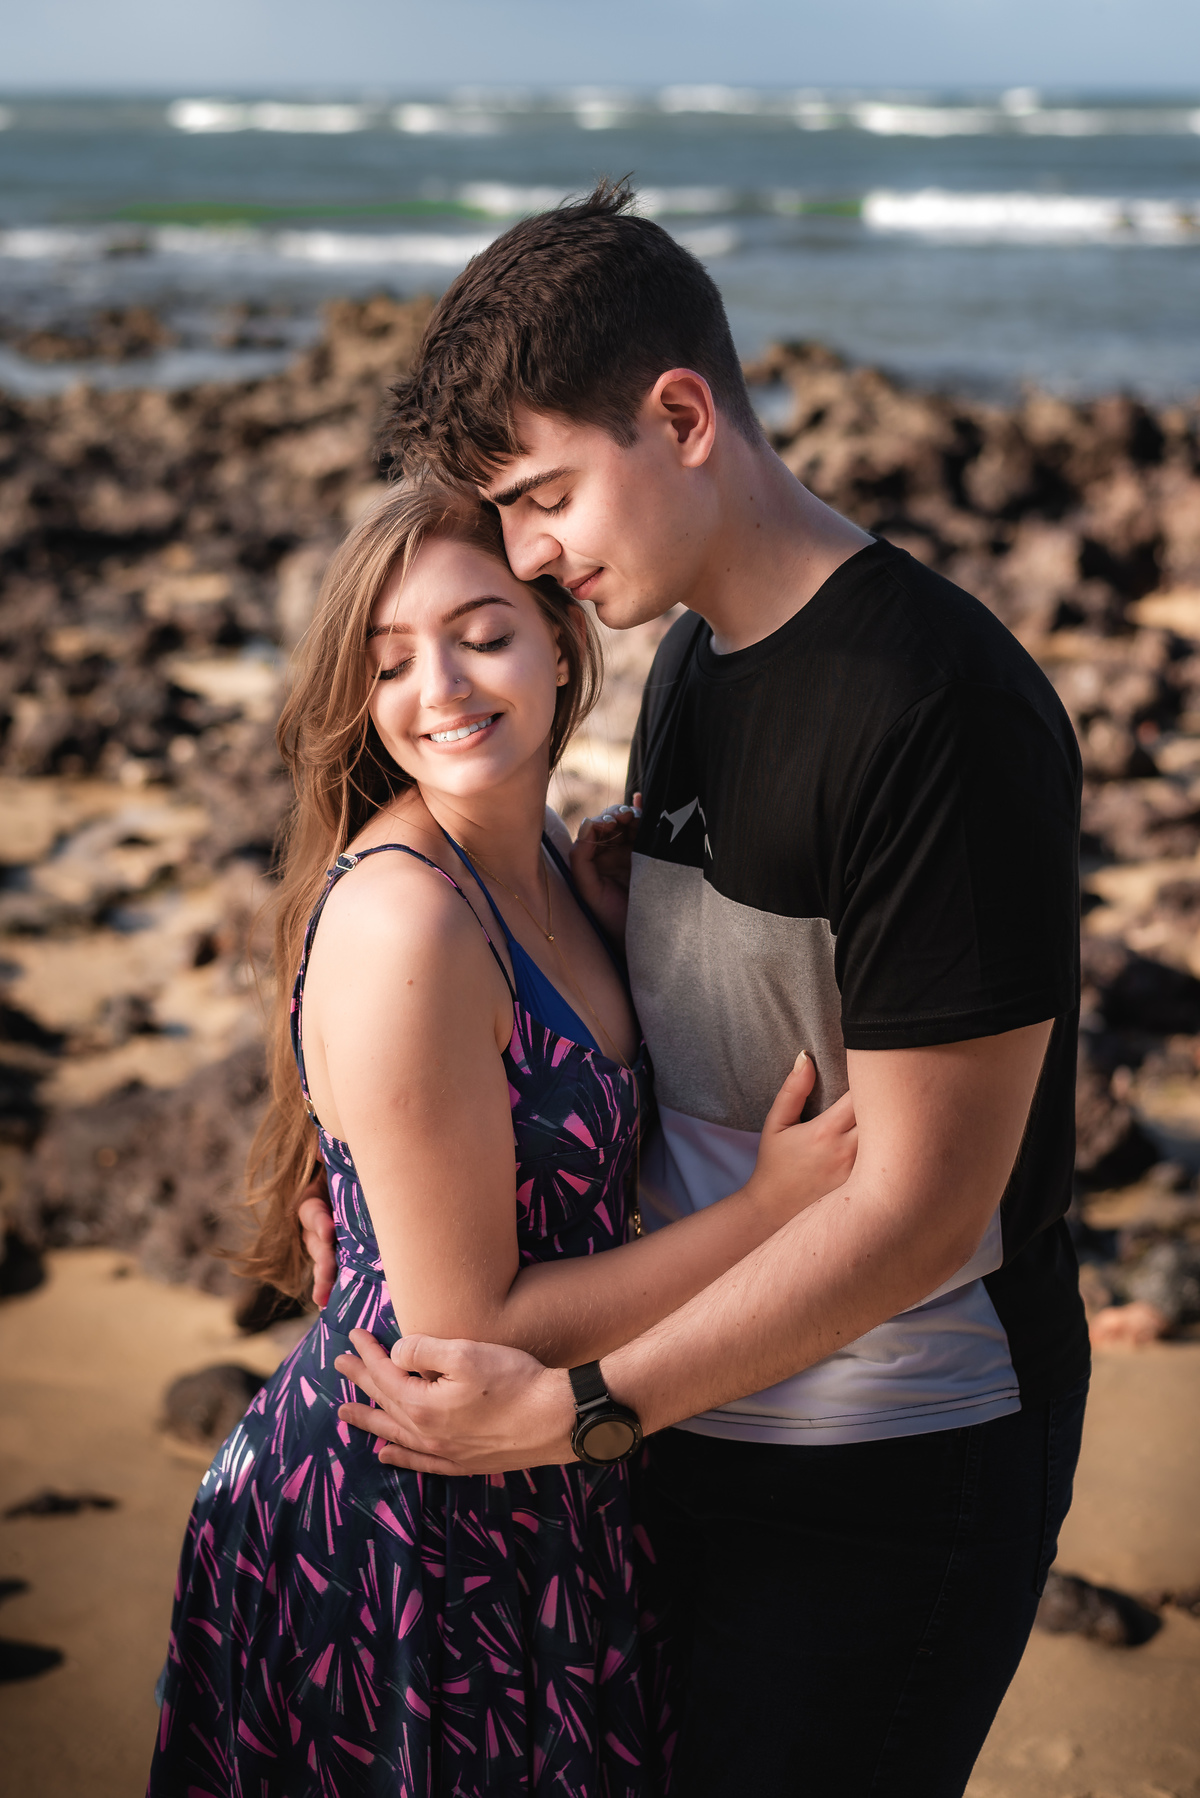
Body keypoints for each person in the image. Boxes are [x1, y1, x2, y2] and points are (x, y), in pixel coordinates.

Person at [315, 181, 1091, 1798]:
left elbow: (928, 1211)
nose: (527, 557)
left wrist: (583, 1407)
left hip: (886, 1461)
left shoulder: (939, 709)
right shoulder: (687, 662)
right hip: (685, 1439)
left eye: (541, 500)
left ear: (679, 415)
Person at [147, 481, 858, 1796]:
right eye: (390, 661)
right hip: (395, 1523)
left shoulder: (534, 852)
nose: (441, 689)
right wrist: (770, 1210)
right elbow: (470, 1315)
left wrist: (622, 926)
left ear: (558, 637)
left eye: (481, 632)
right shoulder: (411, 919)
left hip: (539, 1481)